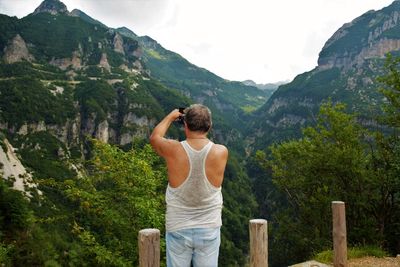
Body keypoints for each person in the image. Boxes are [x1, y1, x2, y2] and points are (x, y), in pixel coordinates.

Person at [150, 104, 228, 267]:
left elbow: (155, 137)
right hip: (209, 227)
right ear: (209, 126)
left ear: (185, 125)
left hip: (178, 226)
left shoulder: (173, 149)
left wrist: (171, 116)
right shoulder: (221, 152)